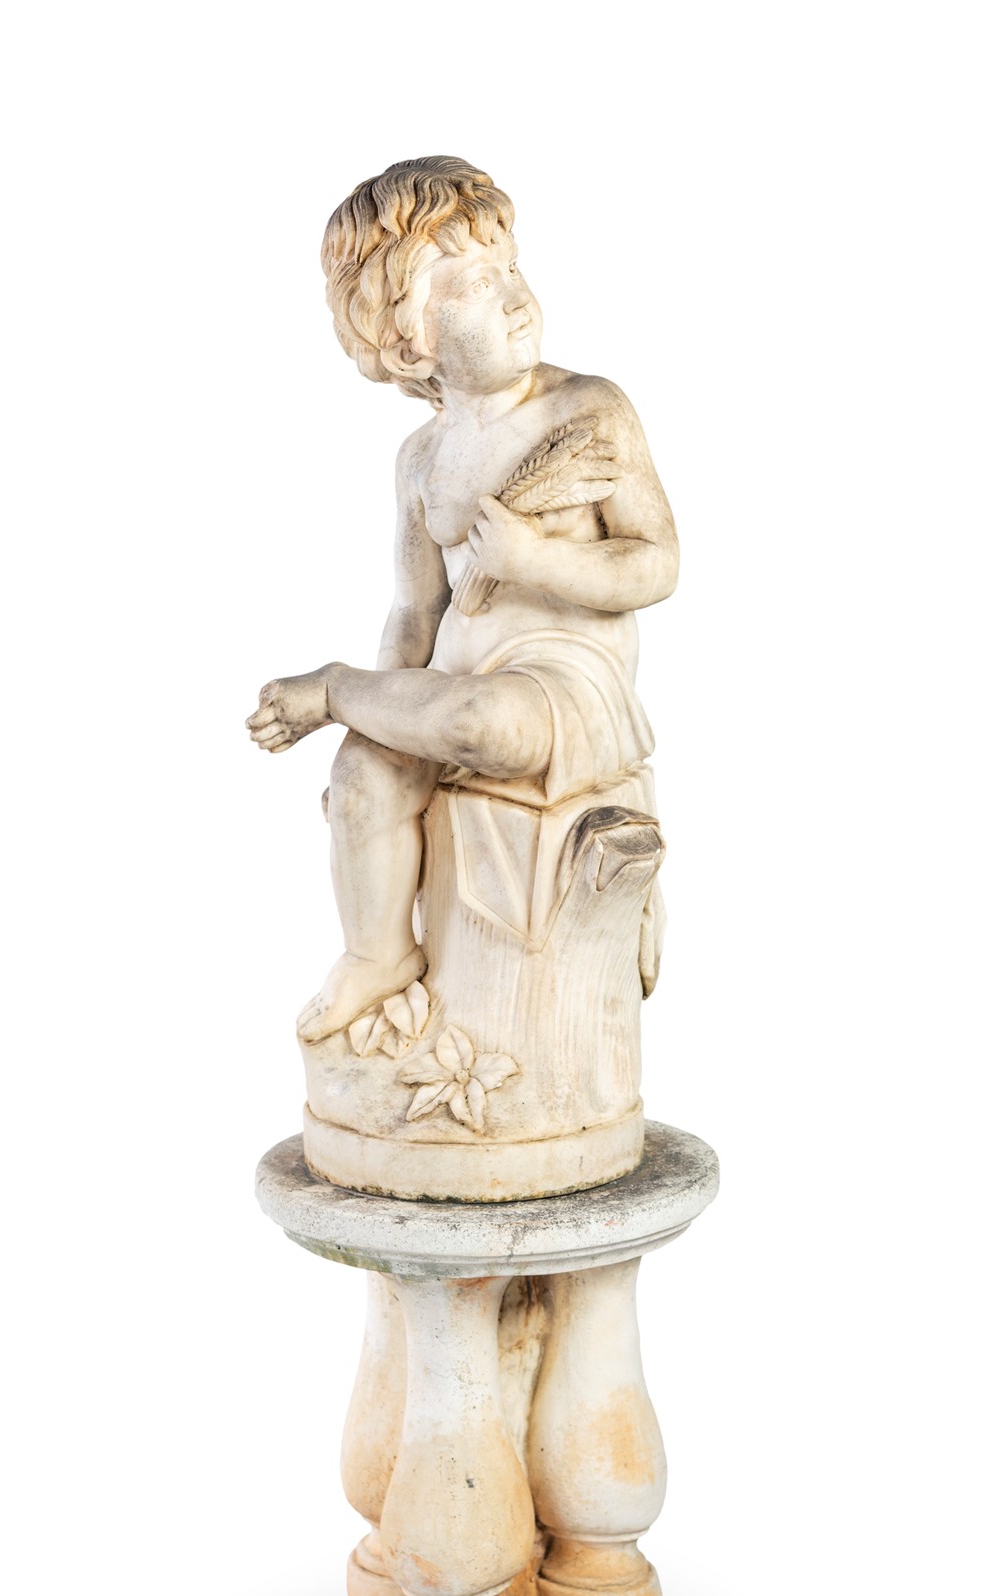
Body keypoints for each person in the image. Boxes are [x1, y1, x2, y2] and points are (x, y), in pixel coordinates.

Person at [246, 156, 678, 1041]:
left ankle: (332, 690)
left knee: (481, 723)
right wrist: (389, 712)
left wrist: (533, 560)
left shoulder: (587, 411)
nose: (516, 297)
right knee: (364, 772)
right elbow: (416, 612)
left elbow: (655, 564)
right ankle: (376, 955)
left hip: (561, 686)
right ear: (409, 345)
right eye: (478, 284)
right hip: (451, 683)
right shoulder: (421, 459)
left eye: (512, 267)